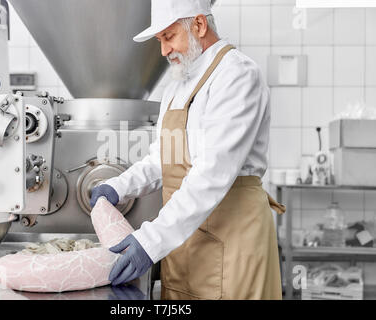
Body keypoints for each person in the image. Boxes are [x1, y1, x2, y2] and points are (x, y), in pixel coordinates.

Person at [90, 0, 286, 300]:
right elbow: (162, 158)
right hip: (184, 238)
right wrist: (116, 187)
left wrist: (149, 241)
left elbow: (211, 174)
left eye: (168, 37)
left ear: (199, 25)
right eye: (160, 41)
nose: (163, 51)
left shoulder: (237, 75)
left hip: (232, 237)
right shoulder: (177, 85)